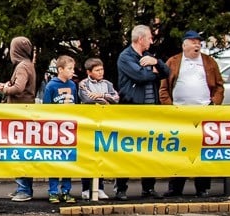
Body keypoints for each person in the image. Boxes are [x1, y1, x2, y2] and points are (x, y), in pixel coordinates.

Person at [159, 30, 224, 197]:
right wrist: (170, 107)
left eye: (199, 42)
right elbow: (164, 88)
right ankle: (175, 187)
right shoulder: (173, 62)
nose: (197, 45)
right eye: (193, 42)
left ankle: (202, 188)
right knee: (178, 150)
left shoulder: (209, 62)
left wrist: (214, 104)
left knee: (202, 151)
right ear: (184, 45)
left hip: (203, 112)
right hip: (179, 113)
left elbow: (219, 86)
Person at [115, 24, 170, 200]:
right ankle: (121, 188)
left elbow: (167, 72)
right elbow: (141, 76)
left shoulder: (148, 56)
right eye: (149, 38)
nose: (151, 41)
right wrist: (153, 72)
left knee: (149, 150)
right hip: (132, 108)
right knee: (126, 149)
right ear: (140, 39)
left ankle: (149, 187)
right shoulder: (125, 57)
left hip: (150, 109)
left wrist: (156, 63)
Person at [0, 36, 38, 201]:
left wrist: (5, 88)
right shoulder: (28, 65)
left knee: (20, 151)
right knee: (22, 151)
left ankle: (24, 189)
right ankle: (22, 186)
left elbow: (19, 87)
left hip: (20, 113)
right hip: (25, 111)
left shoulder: (21, 67)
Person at [78, 57, 119, 200]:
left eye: (102, 69)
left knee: (100, 155)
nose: (101, 72)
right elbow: (88, 98)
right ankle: (86, 188)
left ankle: (100, 188)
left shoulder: (107, 84)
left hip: (104, 123)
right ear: (89, 72)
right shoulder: (83, 84)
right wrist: (105, 101)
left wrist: (102, 95)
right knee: (88, 156)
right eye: (97, 70)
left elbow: (116, 98)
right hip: (88, 124)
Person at [42, 55, 78, 204]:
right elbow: (46, 106)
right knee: (54, 159)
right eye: (69, 68)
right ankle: (53, 191)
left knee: (68, 159)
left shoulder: (73, 85)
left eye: (73, 68)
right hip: (55, 128)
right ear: (60, 69)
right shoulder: (51, 86)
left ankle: (66, 190)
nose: (72, 71)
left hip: (69, 128)